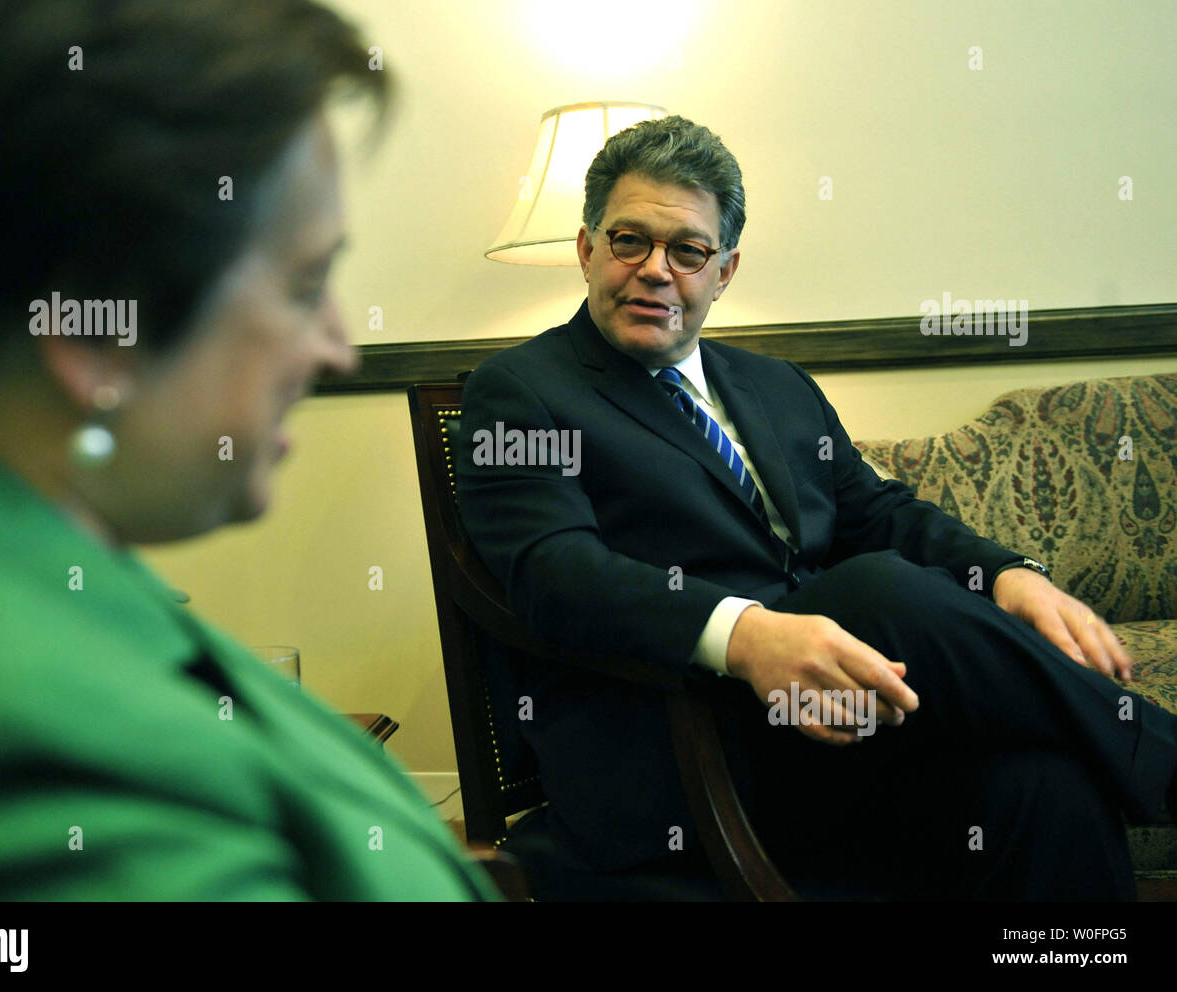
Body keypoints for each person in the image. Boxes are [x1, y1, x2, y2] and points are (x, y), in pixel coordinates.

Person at [455, 114, 1177, 899]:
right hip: (684, 736)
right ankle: (1165, 764)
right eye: (630, 240)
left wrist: (1010, 576)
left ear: (723, 270)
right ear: (588, 249)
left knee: (1050, 784)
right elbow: (554, 570)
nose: (657, 270)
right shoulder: (519, 392)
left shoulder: (776, 386)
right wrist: (746, 635)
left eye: (688, 250)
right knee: (877, 590)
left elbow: (881, 512)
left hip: (844, 726)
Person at [0, 0, 499, 901]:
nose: (338, 347)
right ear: (96, 323)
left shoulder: (40, 567)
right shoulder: (15, 753)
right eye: (305, 282)